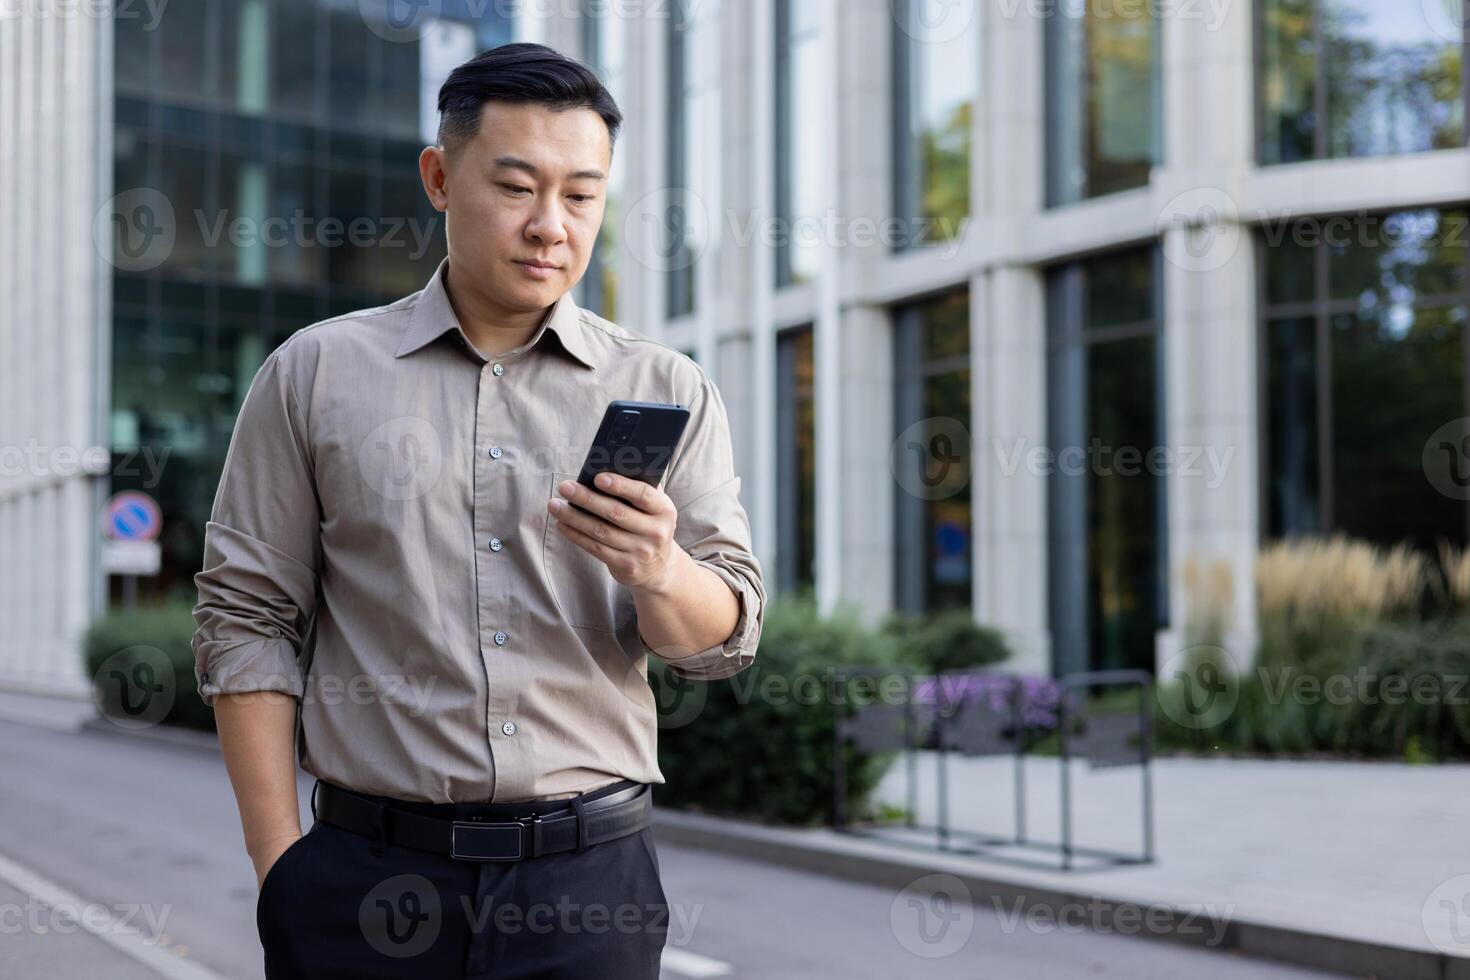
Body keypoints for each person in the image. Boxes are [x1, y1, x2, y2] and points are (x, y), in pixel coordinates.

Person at [191, 42, 765, 980]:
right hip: (366, 885)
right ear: (439, 178)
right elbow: (246, 618)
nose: (551, 225)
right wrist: (279, 865)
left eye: (582, 195)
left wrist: (660, 571)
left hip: (589, 891)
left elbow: (723, 638)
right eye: (517, 187)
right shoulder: (315, 373)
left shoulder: (667, 385)